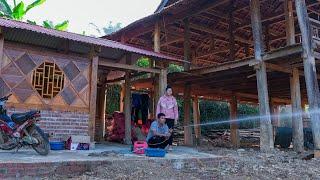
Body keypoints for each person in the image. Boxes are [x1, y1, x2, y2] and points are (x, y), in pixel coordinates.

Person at [156, 86, 179, 150]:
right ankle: (162, 144)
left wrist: (176, 118)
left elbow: (176, 109)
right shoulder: (161, 98)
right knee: (162, 131)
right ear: (166, 91)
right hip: (163, 118)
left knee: (170, 131)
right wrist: (158, 117)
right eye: (169, 91)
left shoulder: (173, 99)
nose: (170, 92)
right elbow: (158, 108)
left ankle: (170, 145)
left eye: (171, 91)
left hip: (171, 118)